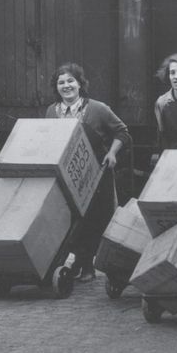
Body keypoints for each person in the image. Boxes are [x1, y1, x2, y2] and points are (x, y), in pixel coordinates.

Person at [46, 62, 131, 282]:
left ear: (80, 84)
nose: (66, 86)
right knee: (70, 218)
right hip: (66, 176)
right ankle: (76, 262)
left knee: (93, 218)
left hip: (95, 174)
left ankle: (87, 266)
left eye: (70, 81)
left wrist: (112, 153)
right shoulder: (51, 112)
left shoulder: (97, 109)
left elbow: (122, 132)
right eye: (61, 82)